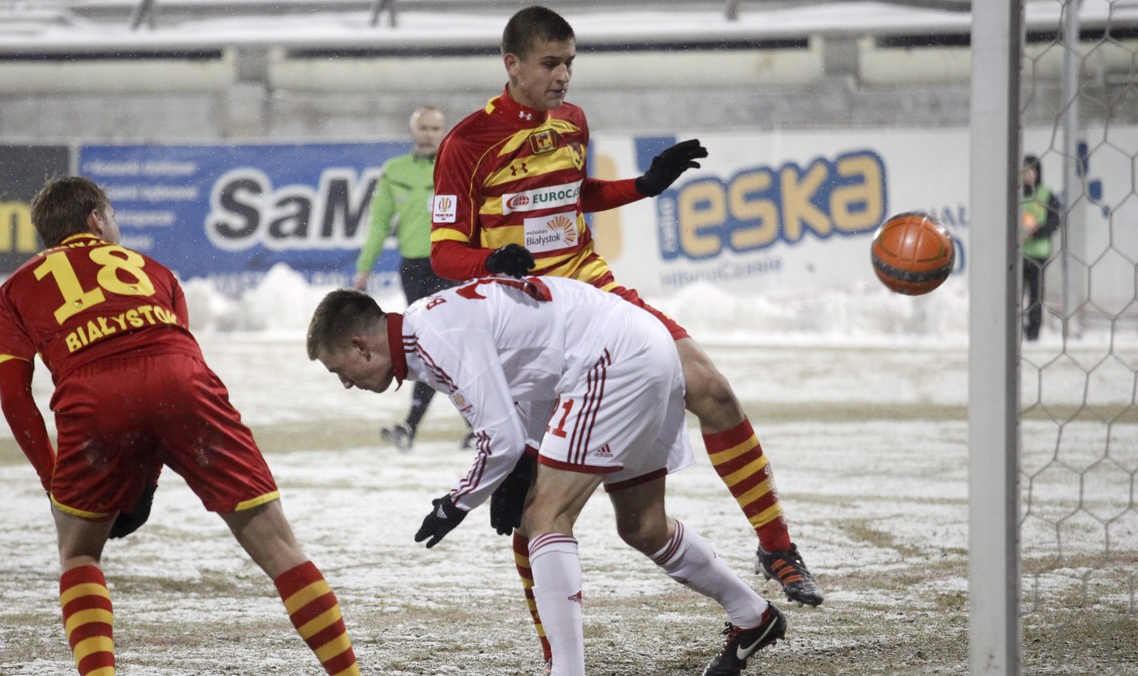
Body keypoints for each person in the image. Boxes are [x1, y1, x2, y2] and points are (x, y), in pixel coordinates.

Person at [429, 4, 823, 610]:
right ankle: (554, 653)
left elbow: (574, 194)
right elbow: (443, 253)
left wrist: (644, 185)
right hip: (528, 318)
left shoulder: (573, 122)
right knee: (533, 512)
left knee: (713, 391)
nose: (563, 77)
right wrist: (493, 263)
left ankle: (777, 547)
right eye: (550, 64)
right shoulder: (465, 143)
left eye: (569, 64)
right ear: (512, 65)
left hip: (595, 291)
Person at [306, 276, 786, 676]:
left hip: (614, 361)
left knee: (543, 515)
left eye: (337, 370)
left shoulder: (435, 336)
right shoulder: (429, 326)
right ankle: (753, 615)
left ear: (360, 345)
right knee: (643, 526)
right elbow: (529, 379)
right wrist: (515, 464)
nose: (345, 382)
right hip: (638, 350)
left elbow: (502, 438)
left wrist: (455, 503)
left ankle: (567, 672)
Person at [0, 176, 359, 676]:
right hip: (184, 381)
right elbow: (171, 379)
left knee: (78, 553)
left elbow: (15, 398)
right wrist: (153, 471)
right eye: (113, 216)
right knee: (280, 548)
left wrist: (53, 481)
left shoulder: (15, 289)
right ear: (97, 220)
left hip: (95, 397)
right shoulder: (155, 270)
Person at [353, 105, 463, 451]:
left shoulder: (457, 167)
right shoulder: (394, 171)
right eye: (424, 127)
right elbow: (379, 224)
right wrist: (364, 267)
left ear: (444, 131)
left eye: (435, 128)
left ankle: (413, 428)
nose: (429, 134)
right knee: (435, 348)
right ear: (413, 131)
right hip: (414, 269)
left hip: (450, 264)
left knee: (440, 346)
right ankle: (477, 425)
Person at [1021, 154, 1061, 342]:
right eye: (1023, 171)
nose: (1026, 175)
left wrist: (1037, 232)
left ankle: (1033, 333)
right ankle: (1017, 329)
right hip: (1019, 253)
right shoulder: (1017, 194)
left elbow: (1055, 220)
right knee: (1016, 294)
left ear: (1037, 172)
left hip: (1038, 253)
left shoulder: (1046, 195)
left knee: (1036, 295)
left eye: (1030, 170)